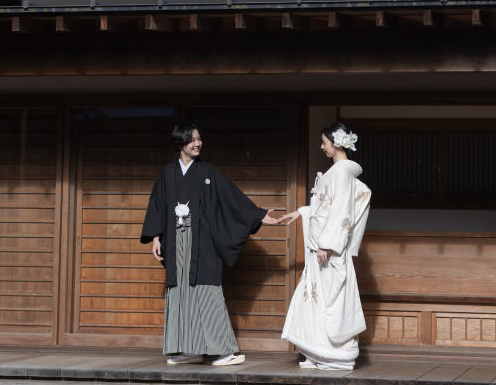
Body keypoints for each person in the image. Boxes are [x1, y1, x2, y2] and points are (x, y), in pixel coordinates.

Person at [140, 122, 278, 366]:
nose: (197, 143)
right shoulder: (167, 174)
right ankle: (189, 348)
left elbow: (230, 199)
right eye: (192, 139)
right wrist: (156, 237)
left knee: (206, 291)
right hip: (175, 241)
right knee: (179, 291)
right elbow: (158, 205)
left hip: (201, 241)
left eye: (199, 138)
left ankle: (226, 351)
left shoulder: (208, 172)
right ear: (180, 143)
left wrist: (257, 215)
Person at [278, 123, 371, 370]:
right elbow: (324, 209)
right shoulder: (336, 172)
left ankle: (335, 356)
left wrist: (327, 245)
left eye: (324, 142)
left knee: (330, 300)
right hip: (322, 245)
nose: (322, 146)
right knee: (315, 299)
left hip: (328, 248)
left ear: (336, 143)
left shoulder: (341, 173)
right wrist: (301, 212)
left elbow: (341, 210)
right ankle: (316, 351)